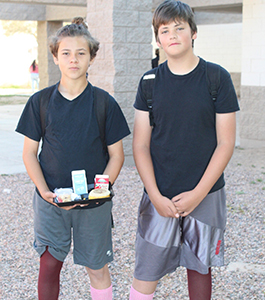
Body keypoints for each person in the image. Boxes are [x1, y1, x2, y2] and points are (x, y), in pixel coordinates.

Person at [130, 1, 239, 299]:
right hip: (160, 193)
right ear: (157, 39)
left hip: (206, 193)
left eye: (179, 27)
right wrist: (154, 195)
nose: (173, 35)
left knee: (200, 269)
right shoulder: (149, 83)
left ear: (193, 32)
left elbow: (225, 143)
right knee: (146, 270)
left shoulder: (217, 78)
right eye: (165, 30)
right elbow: (140, 145)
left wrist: (198, 193)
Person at [16, 17, 130, 300]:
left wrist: (99, 189)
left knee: (97, 266)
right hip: (51, 199)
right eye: (66, 53)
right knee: (50, 264)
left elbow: (117, 156)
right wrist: (44, 191)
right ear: (55, 57)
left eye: (81, 53)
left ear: (92, 57)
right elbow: (30, 152)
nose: (73, 59)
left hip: (94, 203)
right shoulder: (40, 102)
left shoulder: (105, 103)